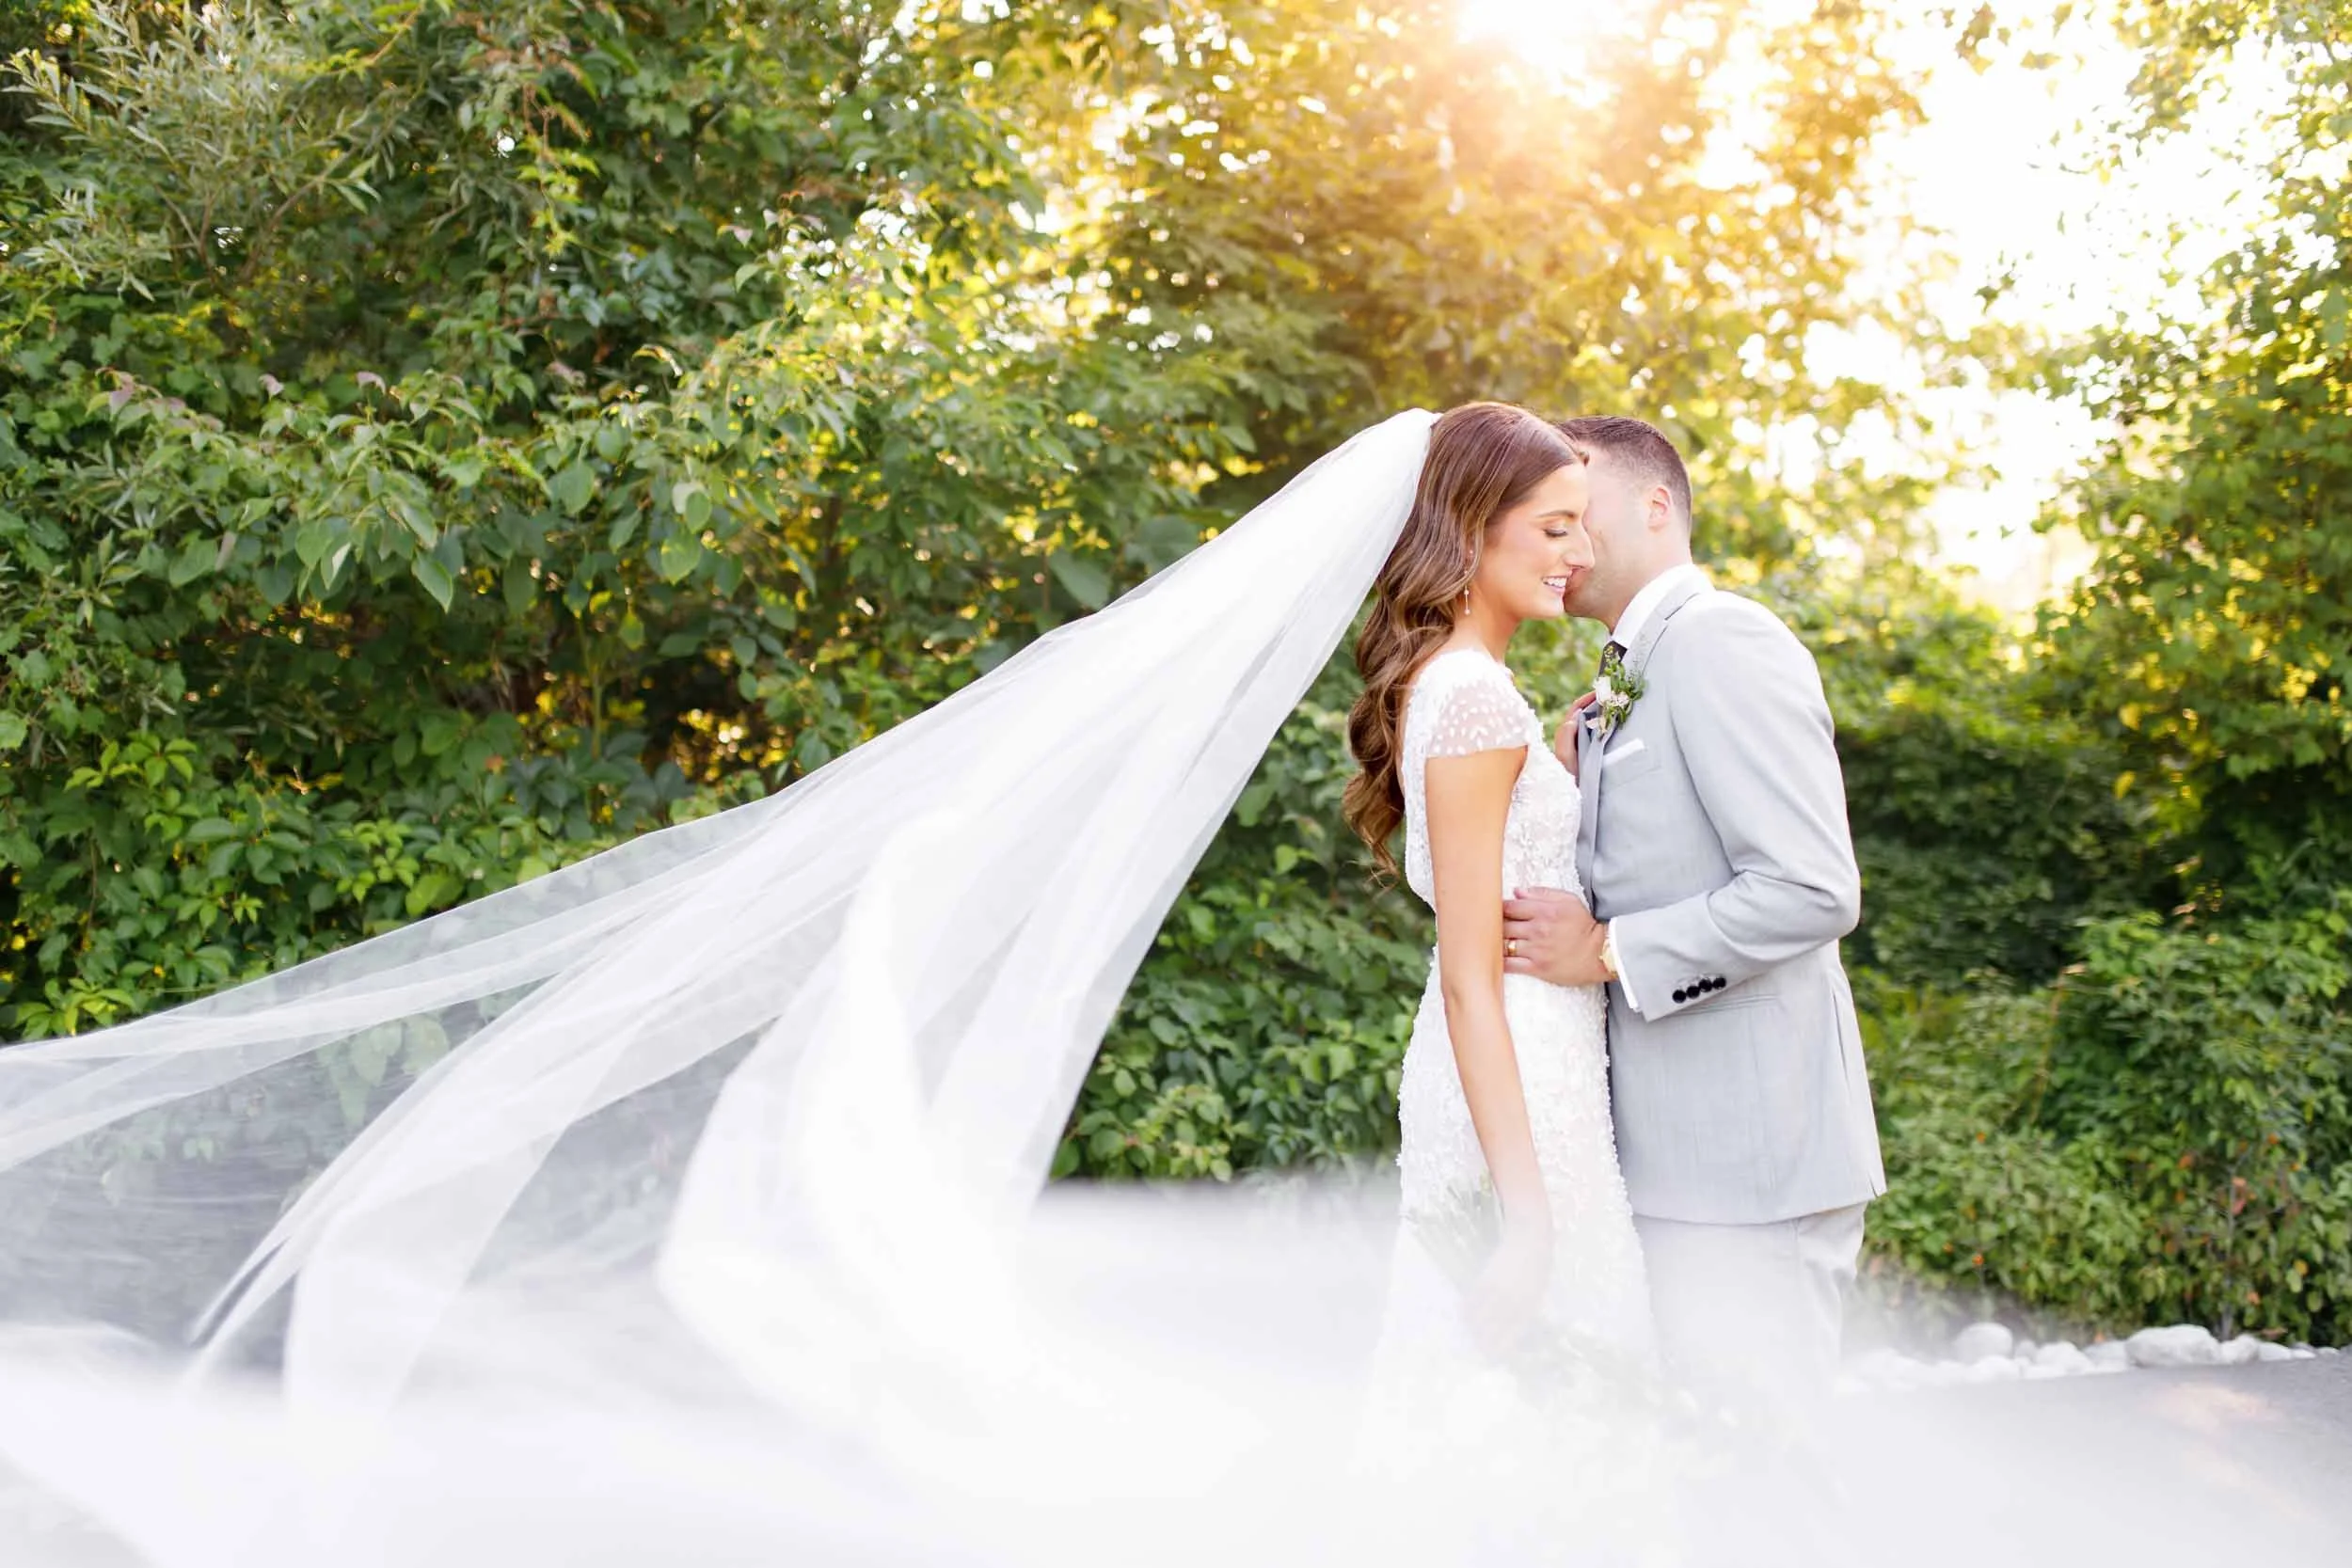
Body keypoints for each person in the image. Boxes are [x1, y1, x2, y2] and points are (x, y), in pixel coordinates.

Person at [1497, 415, 1885, 1414]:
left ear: (1657, 505)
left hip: (1748, 1162)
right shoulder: (1628, 678)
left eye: (1584, 512)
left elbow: (1810, 886)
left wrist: (1607, 948)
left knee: (1760, 1476)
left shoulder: (1723, 641)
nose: (1569, 543)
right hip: (1672, 1165)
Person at [1343, 403, 1650, 1379]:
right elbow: (1469, 973)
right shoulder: (1470, 695)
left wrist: (1556, 761)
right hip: (1515, 1071)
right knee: (1542, 1371)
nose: (1578, 550)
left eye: (1582, 526)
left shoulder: (1462, 685)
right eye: (1553, 527)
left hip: (1525, 1058)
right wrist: (1523, 1220)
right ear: (1471, 527)